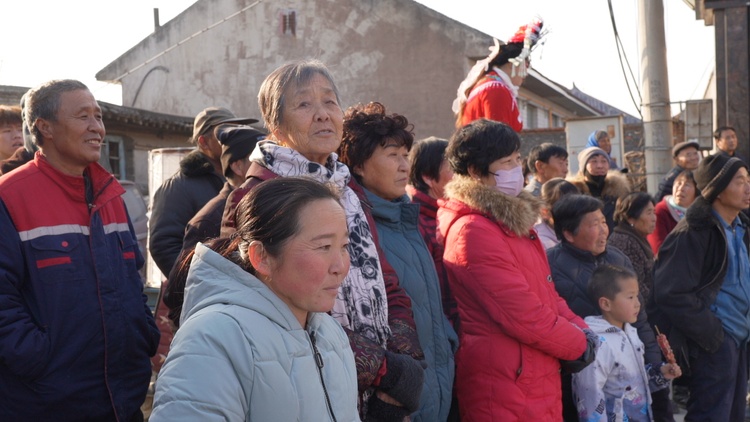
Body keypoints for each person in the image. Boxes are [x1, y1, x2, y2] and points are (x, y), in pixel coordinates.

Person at [220, 60, 425, 420]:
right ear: (274, 123)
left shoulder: (348, 189)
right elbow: (273, 312)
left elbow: (386, 280)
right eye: (304, 104)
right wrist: (383, 370)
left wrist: (405, 357)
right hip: (306, 389)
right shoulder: (255, 197)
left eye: (330, 102)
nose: (322, 115)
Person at [0, 79, 159, 420]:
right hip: (46, 403)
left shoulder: (110, 195)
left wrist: (144, 333)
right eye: (83, 116)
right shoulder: (10, 197)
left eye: (98, 116)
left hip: (123, 398)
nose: (97, 128)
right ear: (46, 127)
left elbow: (133, 278)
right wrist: (37, 357)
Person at [150, 178, 359, 421]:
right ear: (261, 257)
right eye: (323, 247)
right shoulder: (213, 337)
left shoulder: (330, 333)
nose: (341, 266)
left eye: (344, 245)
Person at [437, 119, 594, 421]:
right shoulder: (473, 230)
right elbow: (521, 314)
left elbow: (546, 295)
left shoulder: (511, 219)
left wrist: (582, 329)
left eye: (517, 159)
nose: (516, 169)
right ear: (475, 172)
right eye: (506, 162)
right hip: (505, 380)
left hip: (533, 372)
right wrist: (577, 344)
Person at [338, 102, 458, 421]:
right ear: (358, 165)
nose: (404, 166)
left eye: (406, 155)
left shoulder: (404, 216)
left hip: (436, 382)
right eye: (392, 155)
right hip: (399, 396)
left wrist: (448, 338)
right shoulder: (356, 228)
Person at [546, 194, 670, 421]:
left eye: (604, 222)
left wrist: (653, 364)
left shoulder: (617, 259)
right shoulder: (548, 265)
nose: (604, 230)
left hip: (628, 377)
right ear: (568, 233)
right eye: (594, 225)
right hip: (580, 377)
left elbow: (639, 318)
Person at [651, 154, 750, 421]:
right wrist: (714, 336)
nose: (747, 187)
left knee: (734, 414)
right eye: (739, 181)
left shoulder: (739, 227)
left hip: (738, 337)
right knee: (711, 414)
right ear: (717, 189)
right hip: (714, 340)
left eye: (748, 180)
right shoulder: (694, 231)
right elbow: (671, 292)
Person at [163, 124, 266, 327]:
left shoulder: (260, 207)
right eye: (258, 160)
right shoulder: (210, 219)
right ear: (237, 167)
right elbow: (177, 295)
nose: (266, 165)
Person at [149, 106, 257, 278]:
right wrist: (195, 286)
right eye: (223, 131)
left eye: (236, 128)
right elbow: (163, 245)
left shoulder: (240, 178)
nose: (231, 135)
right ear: (203, 142)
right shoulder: (178, 187)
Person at [573, 265, 681, 422]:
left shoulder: (631, 333)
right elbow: (589, 395)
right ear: (606, 304)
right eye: (630, 297)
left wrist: (661, 373)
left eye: (637, 296)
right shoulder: (597, 344)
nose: (638, 304)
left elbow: (633, 384)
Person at [452, 18, 545, 131]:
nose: (526, 74)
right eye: (526, 66)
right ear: (512, 64)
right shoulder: (496, 89)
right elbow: (499, 142)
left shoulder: (489, 84)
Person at [406, 136, 458, 327]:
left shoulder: (447, 213)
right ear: (428, 177)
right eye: (452, 169)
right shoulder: (417, 221)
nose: (460, 176)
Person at [607, 192, 657, 303]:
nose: (654, 218)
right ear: (631, 218)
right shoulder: (624, 243)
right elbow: (636, 286)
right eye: (649, 213)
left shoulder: (638, 237)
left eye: (654, 212)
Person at [568, 146, 630, 233]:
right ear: (584, 166)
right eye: (594, 161)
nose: (600, 166)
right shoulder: (573, 193)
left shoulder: (618, 192)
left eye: (604, 161)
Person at [648, 170, 699, 255]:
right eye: (678, 183)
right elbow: (658, 249)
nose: (681, 188)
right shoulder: (660, 211)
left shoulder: (700, 214)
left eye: (687, 185)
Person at [534, 177, 579, 250]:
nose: (572, 212)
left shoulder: (579, 231)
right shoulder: (542, 242)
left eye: (576, 205)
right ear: (545, 211)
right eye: (564, 208)